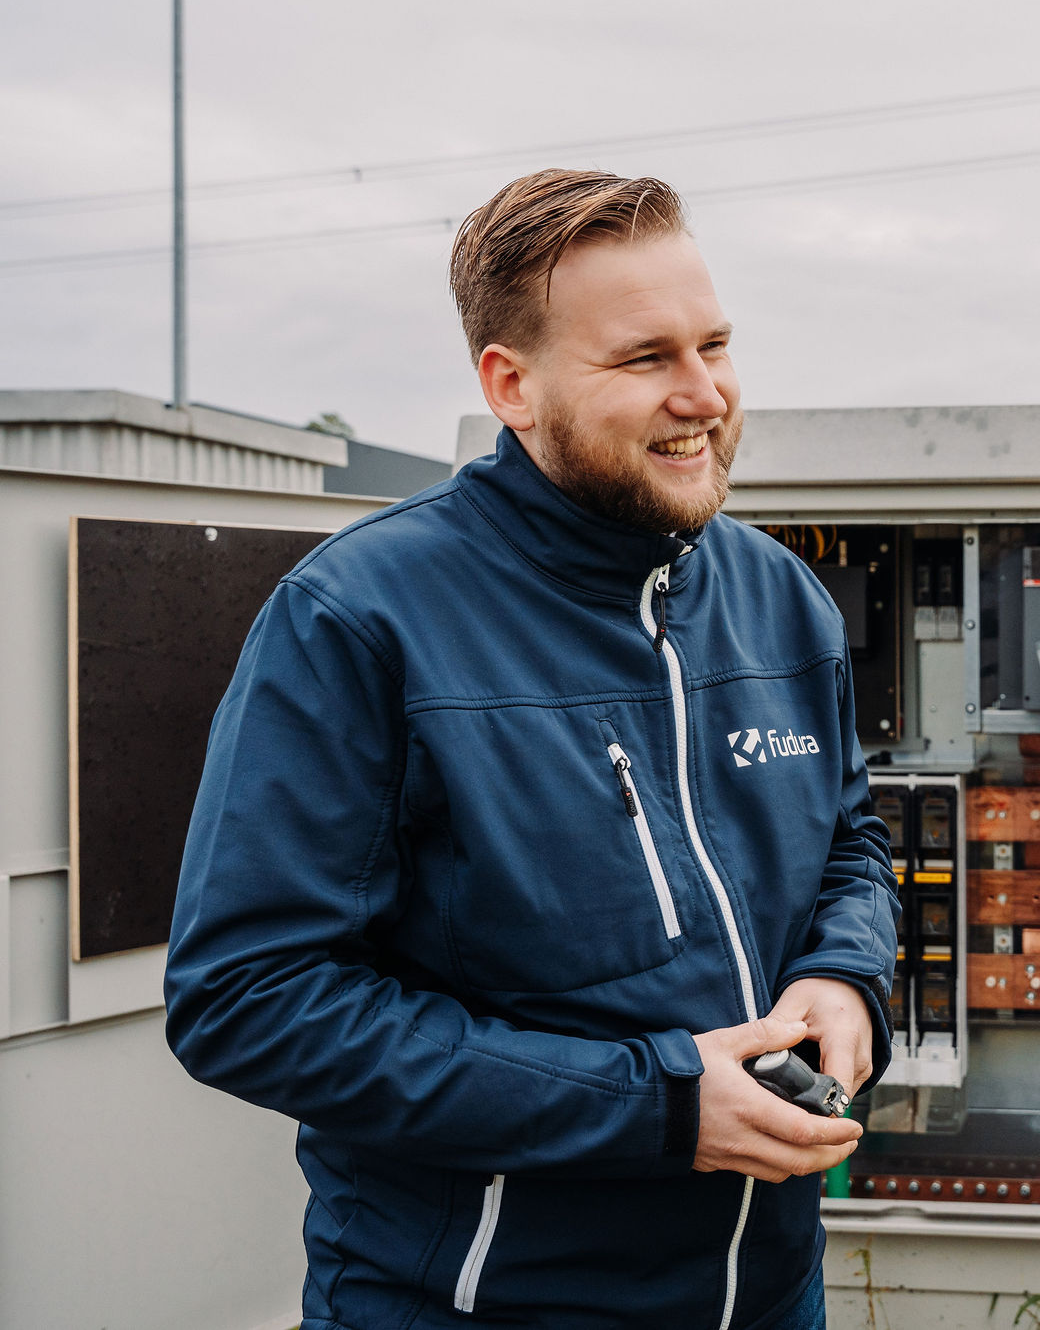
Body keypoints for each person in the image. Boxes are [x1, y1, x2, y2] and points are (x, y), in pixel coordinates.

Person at [165, 169, 897, 1330]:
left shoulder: (778, 599)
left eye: (714, 344)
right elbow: (250, 1000)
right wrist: (652, 1104)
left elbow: (847, 838)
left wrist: (841, 977)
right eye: (645, 357)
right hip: (478, 1304)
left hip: (765, 1297)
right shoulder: (360, 618)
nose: (703, 394)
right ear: (511, 384)